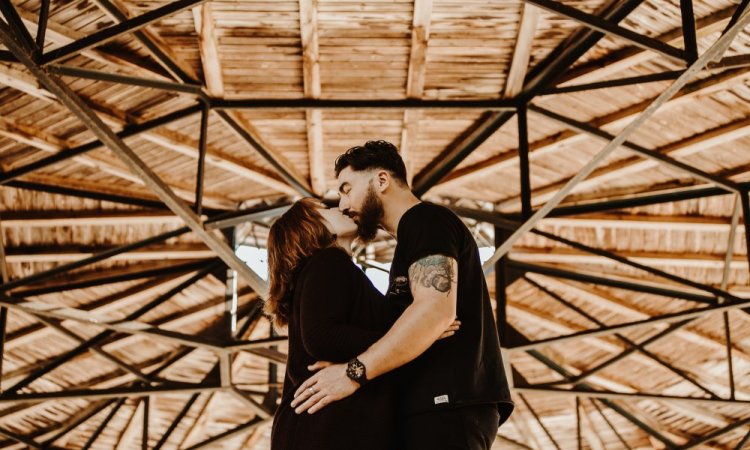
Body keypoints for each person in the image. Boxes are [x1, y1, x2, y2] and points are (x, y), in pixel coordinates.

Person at [290, 141, 514, 450]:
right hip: (427, 406)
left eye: (346, 188)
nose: (343, 204)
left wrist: (352, 373)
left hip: (447, 404)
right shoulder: (410, 240)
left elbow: (435, 312)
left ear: (381, 180)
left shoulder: (427, 222)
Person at [266, 198, 459, 450]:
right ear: (310, 226)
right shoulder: (328, 261)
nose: (340, 207)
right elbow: (321, 337)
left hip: (322, 424)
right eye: (326, 209)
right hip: (323, 425)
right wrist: (414, 334)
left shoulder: (332, 270)